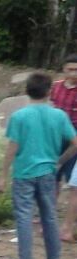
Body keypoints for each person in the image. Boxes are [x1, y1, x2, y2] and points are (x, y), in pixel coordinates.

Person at [0, 73, 77, 259]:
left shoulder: (19, 116)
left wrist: (3, 175)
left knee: (24, 217)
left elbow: (12, 148)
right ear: (50, 92)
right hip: (48, 173)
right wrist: (60, 160)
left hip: (24, 173)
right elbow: (75, 142)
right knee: (49, 216)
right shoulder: (59, 115)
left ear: (26, 91)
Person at [51, 54, 77, 200]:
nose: (74, 73)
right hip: (55, 133)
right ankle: (49, 209)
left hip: (74, 134)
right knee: (52, 173)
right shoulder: (56, 87)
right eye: (70, 69)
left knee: (72, 174)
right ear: (64, 69)